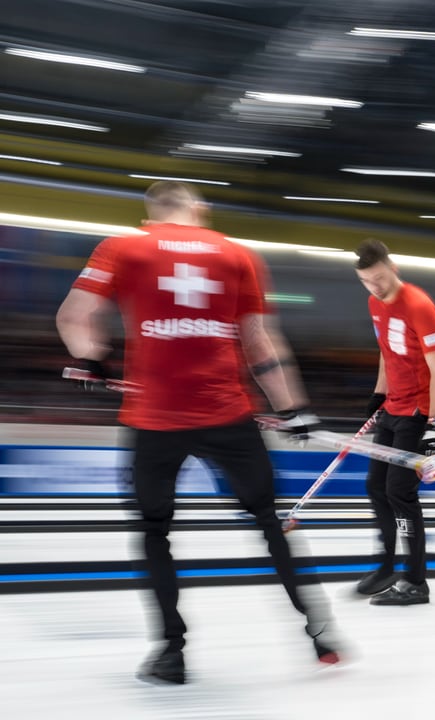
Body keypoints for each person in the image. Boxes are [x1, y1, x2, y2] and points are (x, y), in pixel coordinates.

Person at [56, 180, 343, 685]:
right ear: (200, 209)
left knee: (153, 533)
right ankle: (318, 630)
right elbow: (259, 341)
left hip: (153, 418)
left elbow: (74, 317)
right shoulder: (237, 254)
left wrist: (94, 359)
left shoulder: (121, 248)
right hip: (227, 414)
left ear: (151, 213)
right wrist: (295, 409)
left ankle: (171, 653)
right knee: (269, 523)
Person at [352, 238, 435, 605]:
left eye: (379, 278)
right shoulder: (374, 303)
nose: (375, 287)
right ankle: (388, 565)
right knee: (376, 487)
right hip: (393, 408)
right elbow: (386, 352)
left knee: (400, 492)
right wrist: (379, 395)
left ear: (393, 269)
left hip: (419, 412)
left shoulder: (419, 305)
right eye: (367, 281)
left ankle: (415, 580)